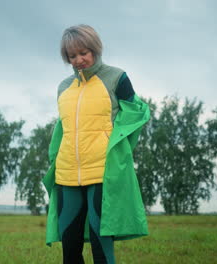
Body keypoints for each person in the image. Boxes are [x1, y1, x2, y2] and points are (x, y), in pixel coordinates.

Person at [42, 24, 150, 264]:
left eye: (84, 53)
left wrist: (119, 151)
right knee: (69, 247)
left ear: (95, 49)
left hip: (102, 172)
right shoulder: (63, 88)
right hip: (67, 173)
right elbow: (63, 128)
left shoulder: (117, 78)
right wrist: (54, 161)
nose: (79, 60)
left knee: (101, 244)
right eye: (72, 56)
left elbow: (136, 115)